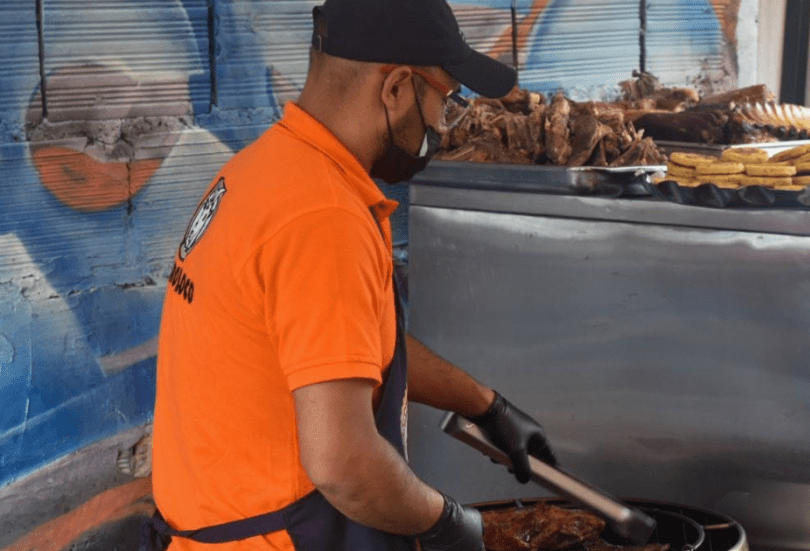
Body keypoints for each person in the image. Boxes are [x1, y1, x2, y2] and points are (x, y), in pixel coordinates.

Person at [146, 0, 558, 549]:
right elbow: (343, 463)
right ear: (395, 89)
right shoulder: (323, 217)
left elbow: (346, 346)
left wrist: (483, 404)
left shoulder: (262, 170)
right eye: (445, 102)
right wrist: (449, 524)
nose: (441, 125)